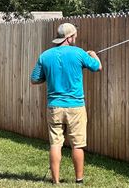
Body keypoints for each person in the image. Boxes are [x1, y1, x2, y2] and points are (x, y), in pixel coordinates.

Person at [30, 23, 102, 184]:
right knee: (77, 145)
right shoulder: (79, 53)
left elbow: (34, 79)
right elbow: (98, 67)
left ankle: (55, 181)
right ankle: (79, 180)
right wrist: (93, 55)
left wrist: (49, 76)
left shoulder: (45, 55)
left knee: (55, 143)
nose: (75, 38)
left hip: (54, 106)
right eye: (74, 35)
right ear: (69, 37)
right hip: (76, 106)